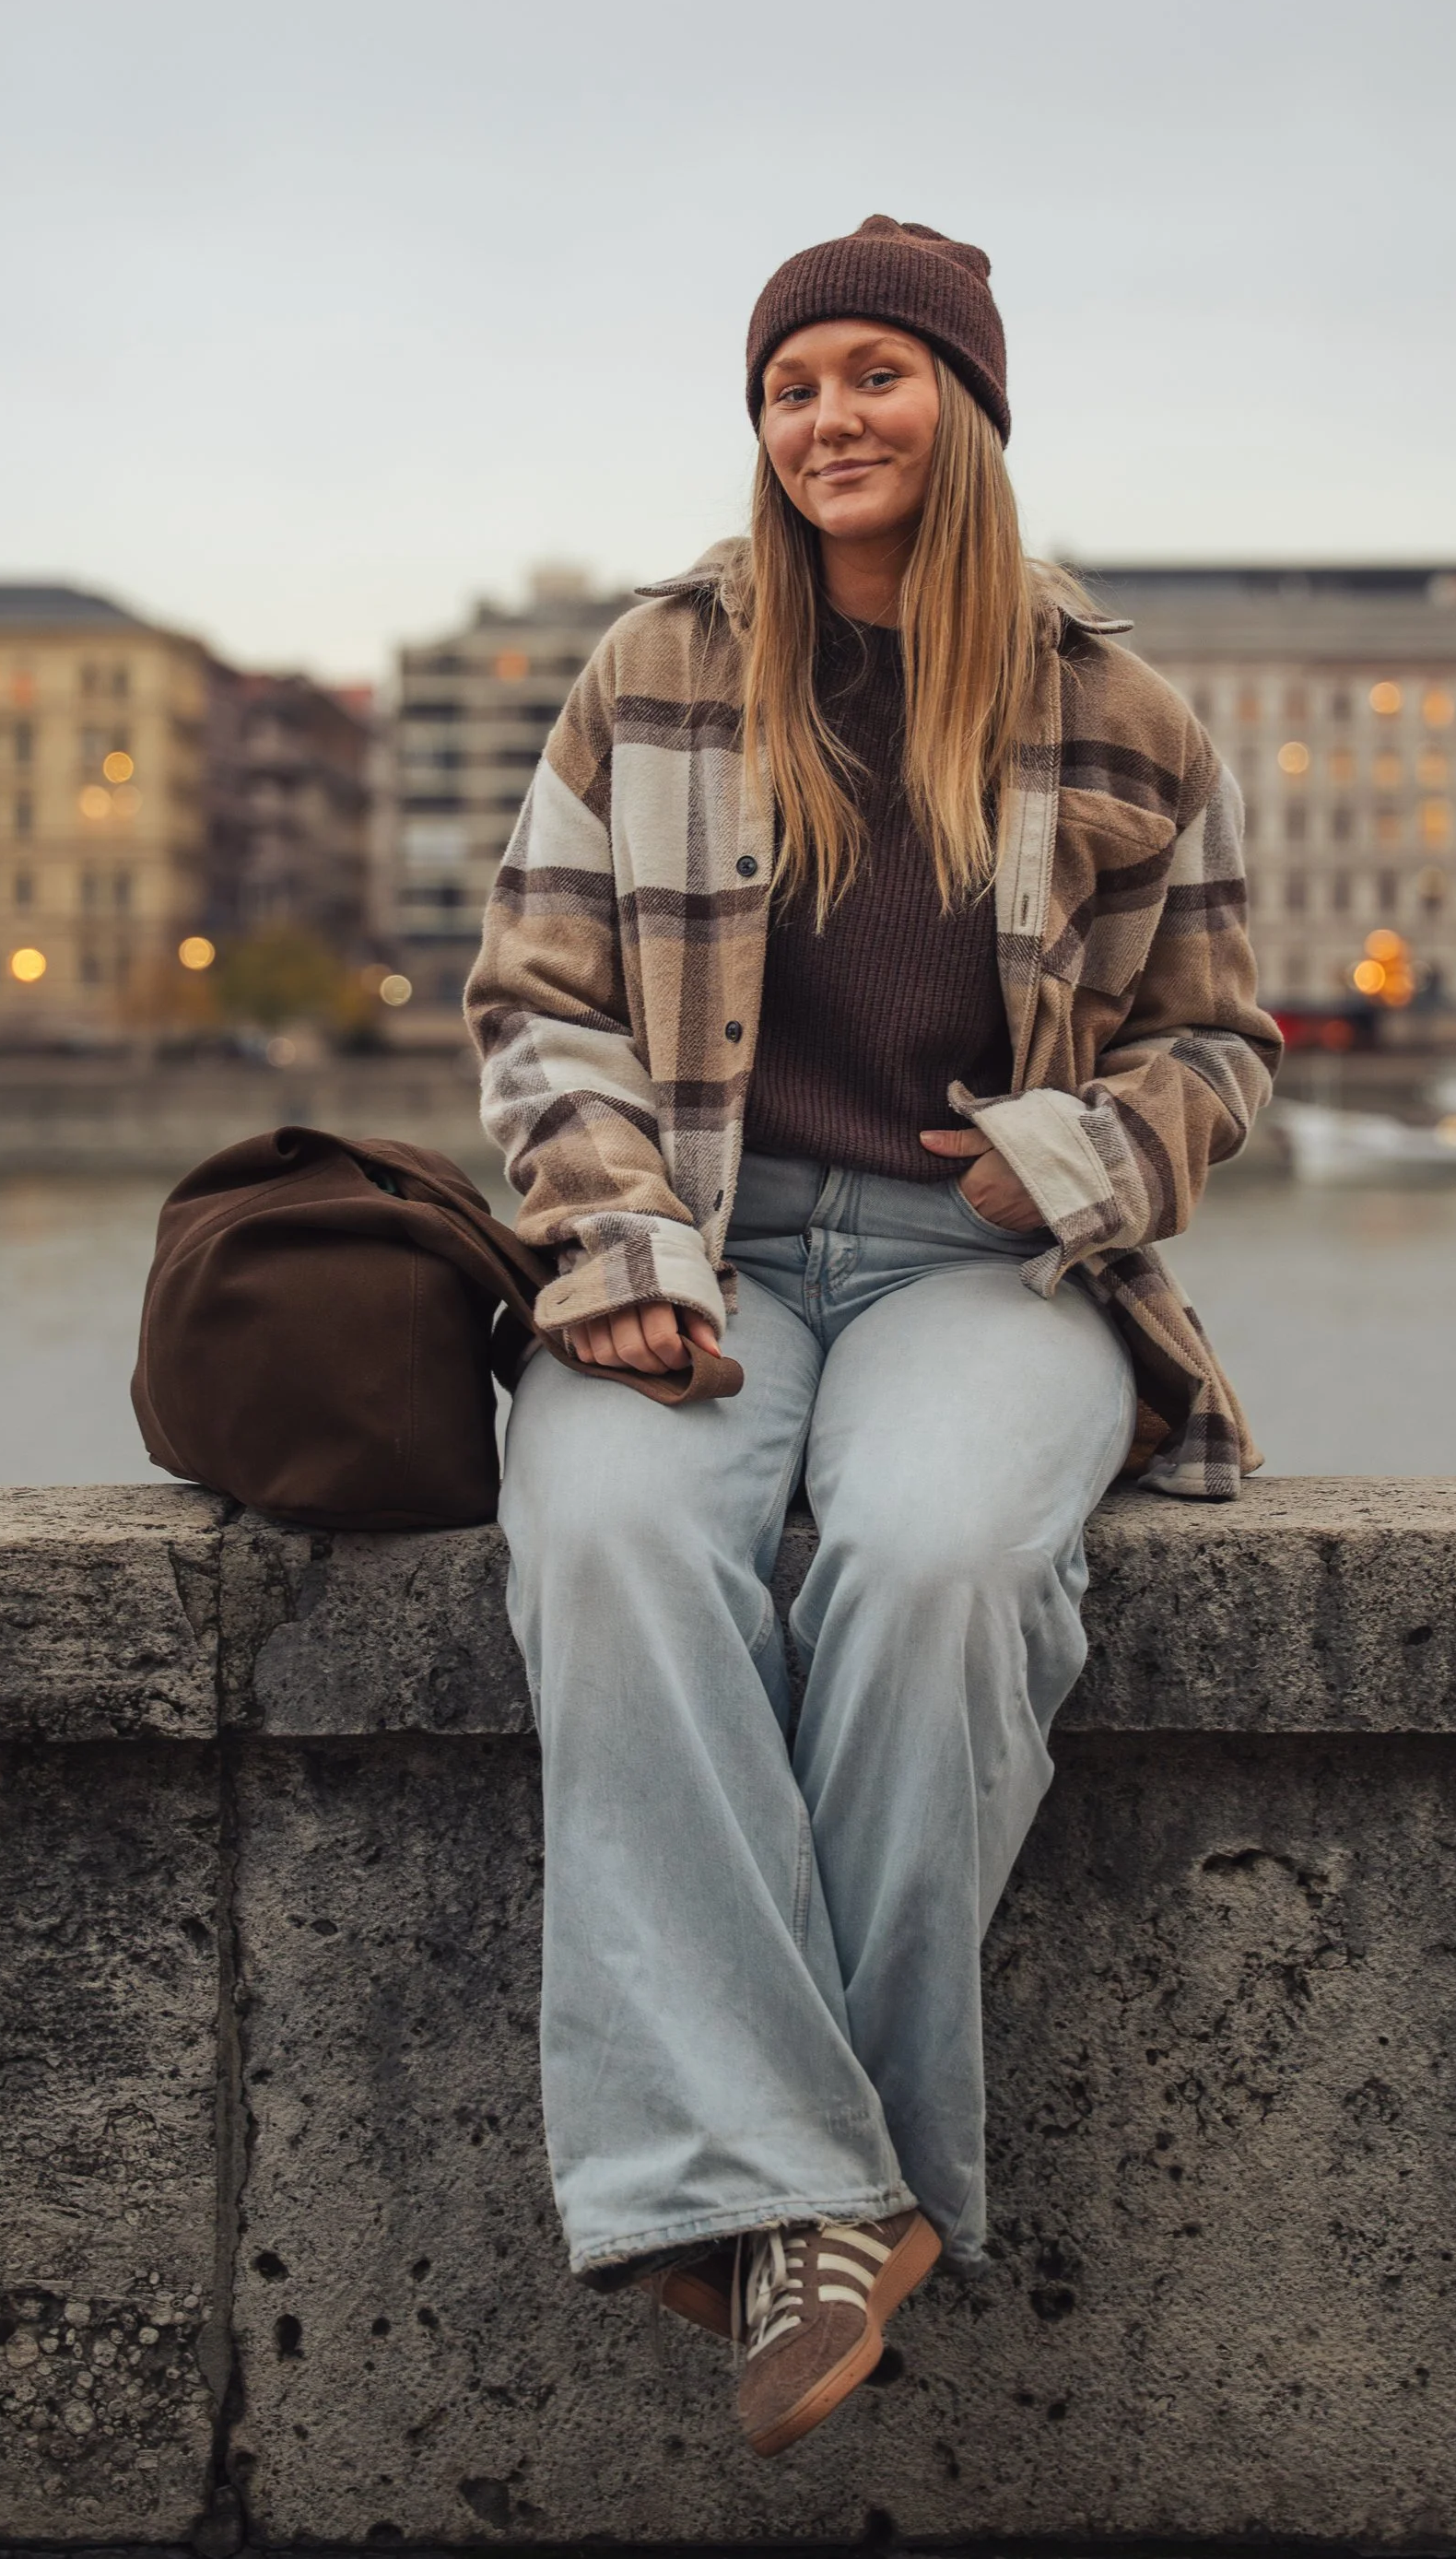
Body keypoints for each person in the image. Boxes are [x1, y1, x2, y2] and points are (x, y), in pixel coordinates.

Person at [465, 216, 1281, 2459]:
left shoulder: (1121, 711)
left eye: (873, 375)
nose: (826, 415)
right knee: (614, 1546)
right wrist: (617, 1232)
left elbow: (1223, 1043)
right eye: (788, 382)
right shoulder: (648, 669)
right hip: (697, 1244)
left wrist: (1080, 1153)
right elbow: (533, 999)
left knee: (937, 1564)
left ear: (966, 406)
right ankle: (837, 2197)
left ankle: (780, 2200)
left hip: (980, 1261)